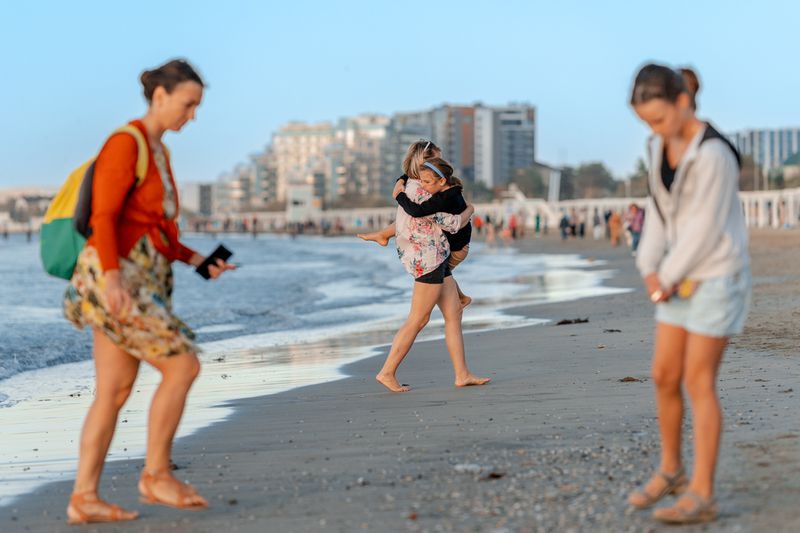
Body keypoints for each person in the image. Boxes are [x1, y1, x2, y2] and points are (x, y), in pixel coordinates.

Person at [62, 59, 235, 525]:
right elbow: (103, 216)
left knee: (114, 391)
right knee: (183, 364)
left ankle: (84, 497)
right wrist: (113, 280)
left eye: (197, 107)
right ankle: (156, 475)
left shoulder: (158, 150)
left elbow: (156, 232)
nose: (192, 115)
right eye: (188, 104)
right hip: (117, 279)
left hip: (141, 277)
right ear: (161, 97)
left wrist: (199, 260)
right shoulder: (127, 142)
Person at [626, 64, 751, 525]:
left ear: (681, 102)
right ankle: (672, 470)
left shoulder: (716, 154)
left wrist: (666, 276)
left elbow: (704, 229)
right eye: (645, 123)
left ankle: (703, 492)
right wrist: (648, 266)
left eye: (657, 119)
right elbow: (660, 212)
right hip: (677, 278)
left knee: (698, 382)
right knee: (663, 375)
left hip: (717, 276)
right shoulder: (661, 145)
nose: (653, 130)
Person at [375, 155, 490, 393]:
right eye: (430, 157)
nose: (424, 184)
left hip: (437, 258)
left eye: (428, 180)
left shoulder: (428, 190)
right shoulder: (422, 192)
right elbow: (443, 219)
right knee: (418, 319)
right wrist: (469, 210)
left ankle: (462, 374)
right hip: (430, 260)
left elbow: (450, 220)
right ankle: (387, 372)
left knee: (453, 313)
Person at [394, 156, 473, 308]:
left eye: (427, 182)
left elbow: (417, 211)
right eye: (421, 181)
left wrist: (399, 195)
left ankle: (461, 298)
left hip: (458, 248)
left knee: (438, 272)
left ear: (442, 181)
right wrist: (402, 178)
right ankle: (461, 298)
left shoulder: (444, 198)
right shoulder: (451, 190)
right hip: (459, 244)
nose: (422, 186)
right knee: (443, 275)